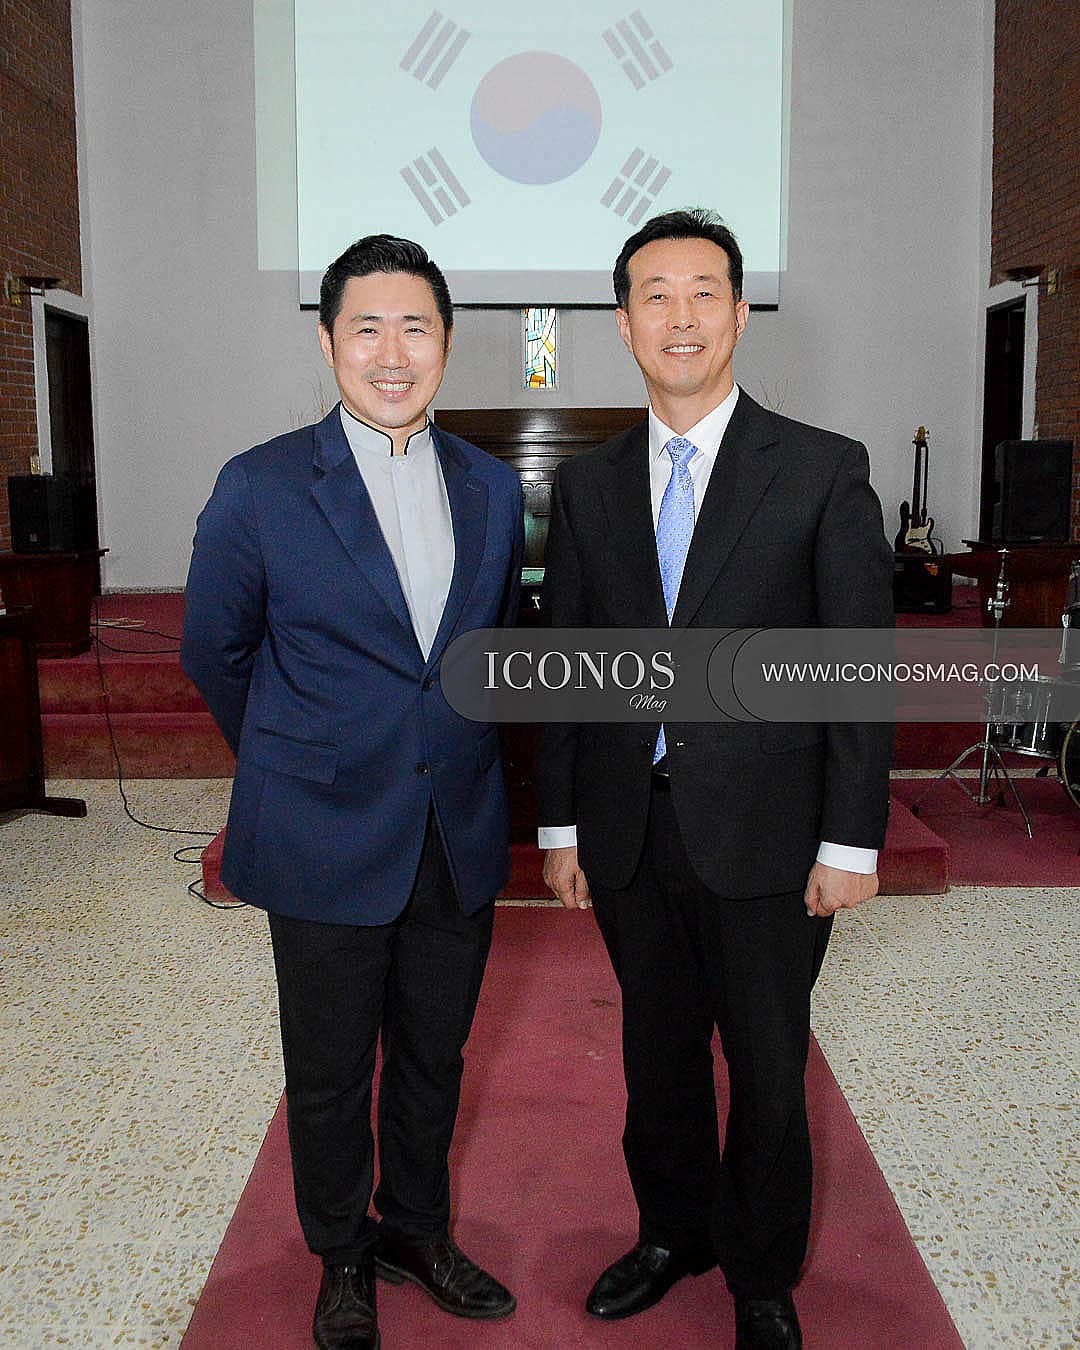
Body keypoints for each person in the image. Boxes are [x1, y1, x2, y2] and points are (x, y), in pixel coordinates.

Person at [536, 209, 892, 1350]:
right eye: (654, 294)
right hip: (630, 830)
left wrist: (851, 842)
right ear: (626, 323)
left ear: (739, 314)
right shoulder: (589, 487)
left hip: (773, 838)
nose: (680, 315)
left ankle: (762, 1272)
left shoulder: (824, 471)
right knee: (658, 1056)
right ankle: (671, 1232)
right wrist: (559, 822)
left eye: (703, 292)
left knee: (771, 1074)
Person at [182, 234, 523, 1350]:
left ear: (447, 343)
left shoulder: (490, 486)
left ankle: (417, 1229)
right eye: (365, 325)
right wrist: (298, 754)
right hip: (323, 829)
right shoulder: (261, 485)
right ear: (328, 340)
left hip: (454, 831)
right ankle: (341, 1256)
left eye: (415, 325)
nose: (392, 350)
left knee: (434, 1055)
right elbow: (215, 654)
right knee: (328, 1073)